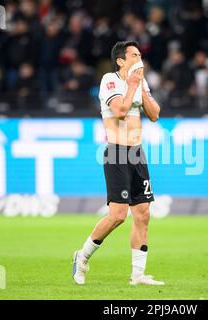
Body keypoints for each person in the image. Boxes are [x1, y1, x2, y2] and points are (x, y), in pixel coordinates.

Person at [72, 41, 164, 286]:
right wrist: (133, 84)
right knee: (118, 215)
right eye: (134, 54)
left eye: (140, 54)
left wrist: (141, 88)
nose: (139, 58)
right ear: (121, 60)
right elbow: (121, 110)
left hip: (137, 153)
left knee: (143, 214)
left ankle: (138, 275)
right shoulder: (109, 80)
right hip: (116, 153)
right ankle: (82, 256)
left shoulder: (140, 82)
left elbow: (155, 114)